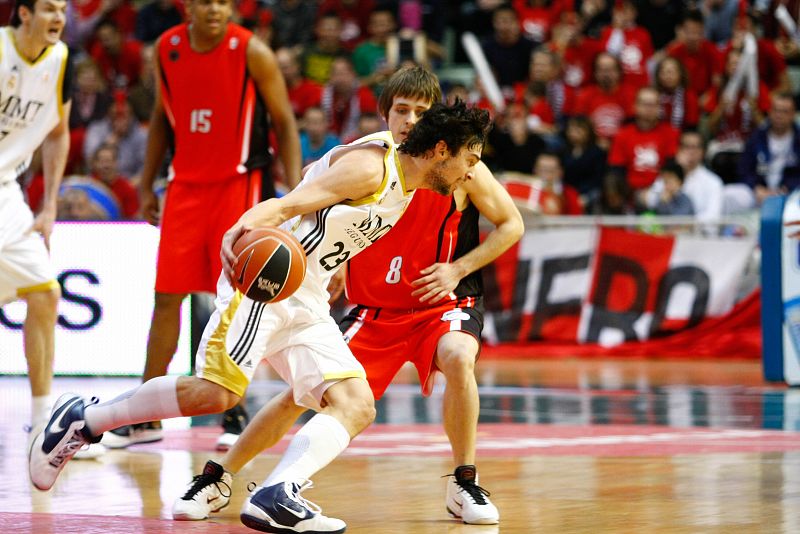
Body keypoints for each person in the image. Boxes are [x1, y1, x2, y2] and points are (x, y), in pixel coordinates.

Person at [28, 100, 492, 534]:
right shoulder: (372, 167)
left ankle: (277, 493)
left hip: (307, 293)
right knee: (216, 394)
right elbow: (289, 203)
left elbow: (316, 173)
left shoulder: (404, 182)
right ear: (439, 151)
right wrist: (243, 226)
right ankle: (85, 419)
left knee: (355, 403)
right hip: (267, 283)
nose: (472, 169)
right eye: (469, 158)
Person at [171, 66, 522, 526]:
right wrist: (332, 267)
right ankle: (218, 477)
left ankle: (464, 480)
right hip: (376, 309)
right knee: (303, 393)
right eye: (402, 110)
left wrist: (458, 268)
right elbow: (333, 220)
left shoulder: (459, 169)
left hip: (440, 304)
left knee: (458, 355)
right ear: (385, 113)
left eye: (421, 111)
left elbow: (513, 223)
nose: (410, 120)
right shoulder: (367, 161)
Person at [102, 0, 302, 450]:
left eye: (224, 2)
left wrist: (291, 199)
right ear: (187, 6)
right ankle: (142, 418)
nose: (215, 9)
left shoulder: (252, 51)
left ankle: (233, 410)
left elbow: (286, 124)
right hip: (184, 188)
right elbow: (161, 118)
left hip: (239, 184)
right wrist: (149, 179)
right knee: (166, 297)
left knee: (231, 300)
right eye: (206, 1)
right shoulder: (167, 47)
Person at [0, 0, 71, 447]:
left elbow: (59, 132)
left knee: (45, 294)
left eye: (62, 10)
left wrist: (48, 207)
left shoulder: (60, 59)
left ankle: (42, 422)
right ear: (24, 13)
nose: (58, 18)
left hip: (6, 188)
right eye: (48, 8)